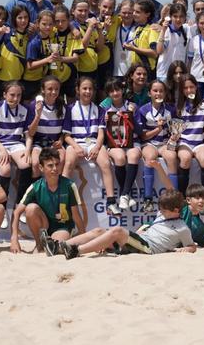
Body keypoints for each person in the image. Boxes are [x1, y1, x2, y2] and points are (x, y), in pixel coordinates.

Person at [57, 189, 196, 259]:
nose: (161, 212)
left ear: (176, 210)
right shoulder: (162, 215)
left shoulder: (182, 228)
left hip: (148, 249)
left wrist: (187, 249)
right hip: (141, 241)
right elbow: (150, 227)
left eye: (164, 210)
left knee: (117, 231)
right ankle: (60, 246)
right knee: (99, 231)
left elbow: (191, 246)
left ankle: (76, 251)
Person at [62, 76, 116, 222]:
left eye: (90, 89)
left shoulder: (99, 109)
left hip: (93, 142)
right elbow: (66, 135)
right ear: (77, 90)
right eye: (84, 88)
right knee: (68, 164)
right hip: (76, 142)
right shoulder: (69, 109)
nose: (87, 91)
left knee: (106, 163)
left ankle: (111, 202)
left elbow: (101, 132)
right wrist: (75, 146)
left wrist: (98, 147)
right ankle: (62, 202)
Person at [9, 147, 83, 254]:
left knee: (55, 246)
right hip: (44, 225)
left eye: (57, 164)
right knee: (30, 208)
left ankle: (47, 244)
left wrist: (84, 237)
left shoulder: (69, 185)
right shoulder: (35, 187)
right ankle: (39, 244)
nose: (55, 168)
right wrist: (14, 239)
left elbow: (76, 216)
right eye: (50, 165)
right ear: (41, 167)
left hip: (63, 227)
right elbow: (16, 213)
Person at [0, 81, 33, 209]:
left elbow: (29, 135)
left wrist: (28, 150)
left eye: (19, 95)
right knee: (5, 170)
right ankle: (1, 206)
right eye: (12, 95)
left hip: (17, 144)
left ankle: (20, 204)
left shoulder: (25, 109)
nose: (16, 98)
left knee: (26, 165)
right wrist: (2, 150)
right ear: (5, 95)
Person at [136, 80, 179, 212]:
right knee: (150, 158)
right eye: (155, 91)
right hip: (149, 143)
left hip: (165, 143)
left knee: (172, 157)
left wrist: (174, 136)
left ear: (165, 93)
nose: (158, 93)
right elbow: (143, 136)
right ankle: (148, 199)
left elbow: (175, 129)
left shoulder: (171, 109)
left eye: (161, 91)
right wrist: (158, 128)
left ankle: (175, 196)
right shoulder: (143, 110)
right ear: (149, 93)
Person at [101, 78, 141, 212]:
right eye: (111, 91)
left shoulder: (132, 106)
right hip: (115, 144)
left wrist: (132, 115)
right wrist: (105, 121)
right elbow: (102, 133)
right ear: (108, 94)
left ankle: (124, 195)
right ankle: (126, 194)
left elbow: (139, 131)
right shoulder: (104, 110)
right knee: (119, 158)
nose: (115, 93)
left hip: (132, 142)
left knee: (134, 155)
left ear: (122, 90)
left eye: (117, 89)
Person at [155, 3, 192, 82]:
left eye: (181, 16)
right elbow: (159, 51)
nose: (178, 19)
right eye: (175, 16)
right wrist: (163, 31)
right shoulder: (167, 31)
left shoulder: (186, 30)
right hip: (164, 73)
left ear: (185, 17)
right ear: (170, 17)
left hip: (179, 74)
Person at [181, 184, 204, 249]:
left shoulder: (200, 226)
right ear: (188, 200)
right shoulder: (180, 208)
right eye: (197, 198)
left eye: (203, 198)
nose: (201, 201)